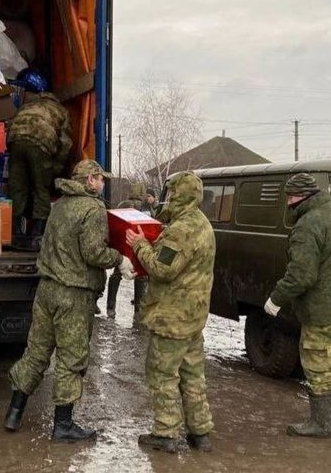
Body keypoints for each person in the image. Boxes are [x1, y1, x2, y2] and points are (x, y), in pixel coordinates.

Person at [4, 159, 136, 441]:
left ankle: (14, 413)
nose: (103, 184)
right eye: (100, 179)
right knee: (71, 359)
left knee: (36, 352)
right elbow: (93, 253)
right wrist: (120, 258)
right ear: (90, 180)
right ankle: (63, 425)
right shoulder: (93, 208)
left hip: (47, 290)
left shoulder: (60, 204)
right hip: (73, 295)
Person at [264, 173, 331, 438]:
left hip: (321, 311)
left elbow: (301, 275)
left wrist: (276, 299)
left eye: (290, 196)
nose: (288, 202)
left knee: (319, 366)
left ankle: (321, 425)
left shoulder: (308, 224)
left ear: (302, 196)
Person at [127, 171, 216, 453]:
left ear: (176, 195)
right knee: (192, 375)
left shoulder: (181, 229)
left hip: (173, 318)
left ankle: (165, 433)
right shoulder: (202, 223)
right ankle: (200, 432)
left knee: (162, 373)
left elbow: (163, 269)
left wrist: (138, 244)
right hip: (193, 316)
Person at [6, 69, 72, 251]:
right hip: (41, 145)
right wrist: (56, 168)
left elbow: (12, 123)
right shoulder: (60, 110)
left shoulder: (28, 106)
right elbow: (65, 143)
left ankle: (15, 235)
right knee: (40, 189)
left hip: (16, 140)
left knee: (18, 188)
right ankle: (37, 237)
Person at [106, 182, 149, 315]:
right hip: (138, 243)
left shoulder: (122, 205)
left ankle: (110, 306)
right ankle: (138, 307)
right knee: (140, 276)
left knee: (117, 273)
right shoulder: (146, 207)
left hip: (122, 243)